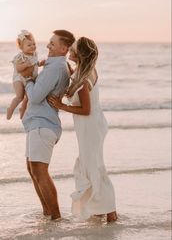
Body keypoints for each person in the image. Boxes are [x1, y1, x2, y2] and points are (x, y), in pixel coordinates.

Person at [48, 37, 118, 222]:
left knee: (93, 168)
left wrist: (61, 106)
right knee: (93, 166)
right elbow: (75, 79)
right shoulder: (83, 71)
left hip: (91, 127)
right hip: (92, 126)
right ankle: (101, 209)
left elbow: (85, 110)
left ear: (79, 55)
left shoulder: (84, 79)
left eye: (72, 49)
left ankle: (110, 212)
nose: (69, 50)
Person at [20, 30, 75, 220]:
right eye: (49, 42)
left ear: (64, 48)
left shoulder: (55, 68)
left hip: (43, 124)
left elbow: (35, 97)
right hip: (39, 123)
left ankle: (55, 217)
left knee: (39, 170)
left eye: (52, 43)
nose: (48, 46)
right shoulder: (55, 66)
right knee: (32, 169)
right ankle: (48, 213)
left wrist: (27, 80)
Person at [6, 30, 45, 120]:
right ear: (21, 47)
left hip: (30, 79)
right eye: (29, 45)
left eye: (34, 44)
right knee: (20, 96)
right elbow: (18, 68)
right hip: (19, 79)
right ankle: (11, 109)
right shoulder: (20, 57)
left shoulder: (35, 54)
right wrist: (25, 65)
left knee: (28, 97)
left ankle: (22, 109)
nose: (32, 47)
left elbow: (35, 63)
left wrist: (40, 63)